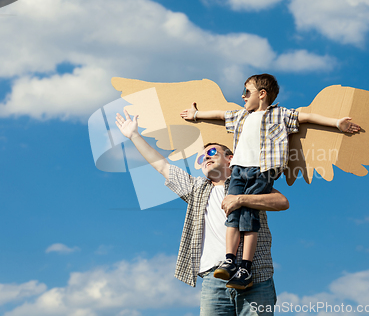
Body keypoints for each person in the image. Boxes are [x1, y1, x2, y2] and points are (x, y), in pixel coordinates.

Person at [180, 74, 360, 289]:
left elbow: (308, 117)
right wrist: (196, 114)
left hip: (262, 170)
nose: (243, 96)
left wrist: (337, 123)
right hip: (238, 170)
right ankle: (229, 260)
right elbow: (220, 115)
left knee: (248, 215)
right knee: (232, 213)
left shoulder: (280, 114)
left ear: (261, 94)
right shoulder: (241, 116)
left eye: (247, 92)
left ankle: (245, 267)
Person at [115, 106, 290, 315]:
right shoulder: (196, 188)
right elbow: (162, 166)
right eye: (201, 157)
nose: (206, 157)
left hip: (255, 276)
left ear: (230, 159)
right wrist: (134, 135)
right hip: (214, 278)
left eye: (212, 152)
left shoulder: (248, 184)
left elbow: (281, 201)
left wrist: (241, 199)